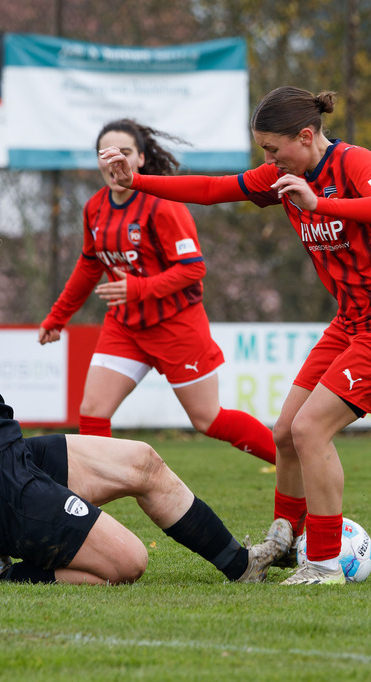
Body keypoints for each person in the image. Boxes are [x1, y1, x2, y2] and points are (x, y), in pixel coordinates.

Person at [0, 169, 289, 586]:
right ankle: (9, 571)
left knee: (143, 461)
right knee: (129, 562)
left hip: (10, 455)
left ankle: (242, 565)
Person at [100, 87, 371, 585]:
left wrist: (320, 204)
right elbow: (215, 190)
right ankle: (283, 542)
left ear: (306, 135)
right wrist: (140, 181)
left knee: (310, 430)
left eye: (272, 148)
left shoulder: (354, 163)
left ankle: (323, 564)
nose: (268, 159)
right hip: (352, 321)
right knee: (285, 432)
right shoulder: (284, 175)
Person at [38, 119, 275, 465]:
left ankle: (294, 464)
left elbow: (193, 268)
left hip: (176, 324)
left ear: (141, 160)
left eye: (124, 152)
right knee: (92, 411)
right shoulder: (95, 207)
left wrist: (137, 288)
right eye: (104, 153)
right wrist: (57, 317)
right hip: (126, 326)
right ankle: (90, 506)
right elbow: (90, 265)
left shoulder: (162, 203)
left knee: (207, 419)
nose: (112, 160)